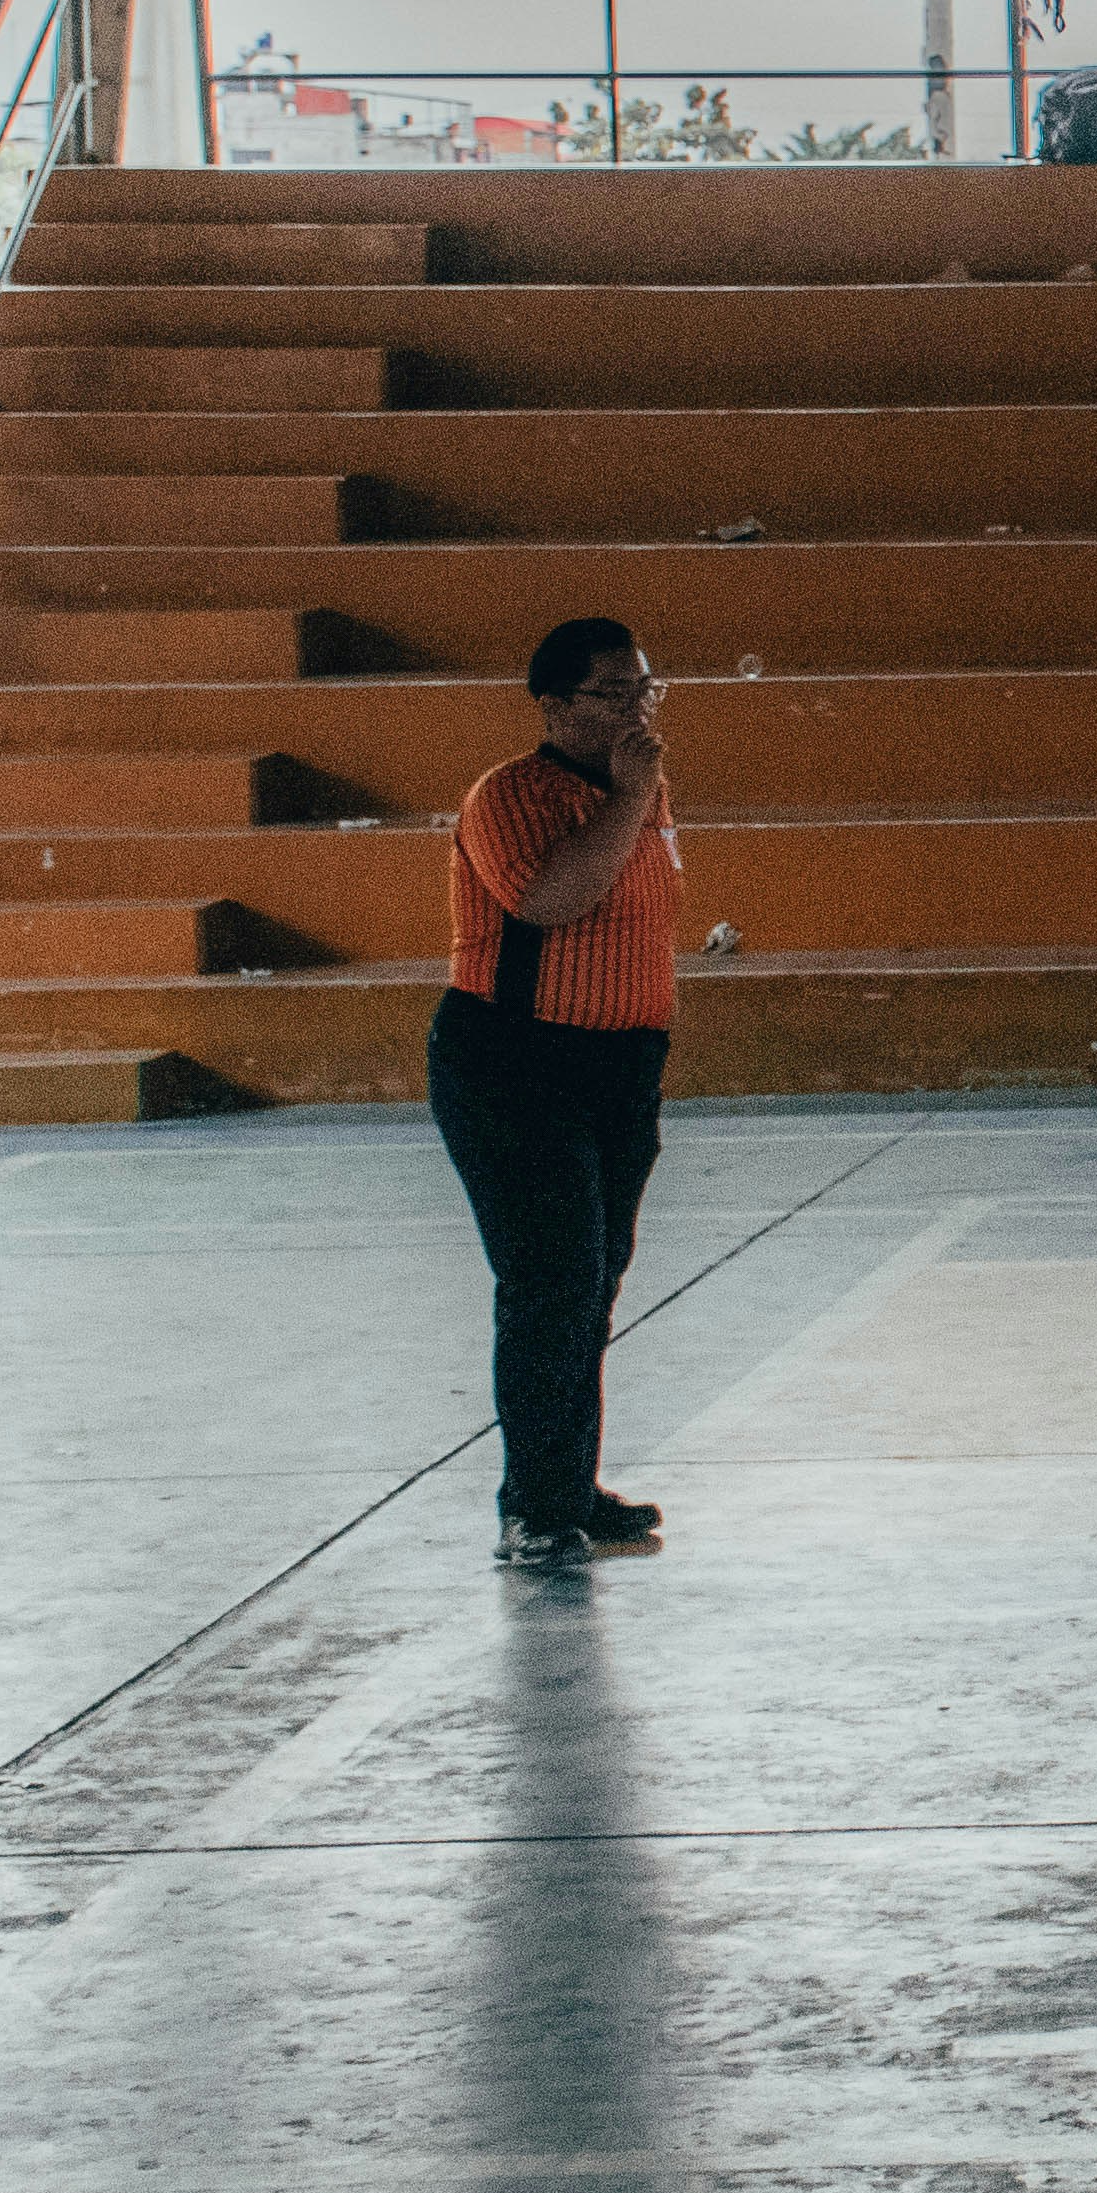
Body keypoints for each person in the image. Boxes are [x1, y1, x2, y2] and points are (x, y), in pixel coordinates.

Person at [435, 618, 682, 1577]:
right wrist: (630, 801)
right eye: (613, 694)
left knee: (594, 1283)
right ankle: (532, 1510)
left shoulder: (639, 797)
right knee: (550, 1286)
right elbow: (552, 901)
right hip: (513, 1065)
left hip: (616, 1072)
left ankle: (570, 1486)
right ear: (554, 705)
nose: (637, 710)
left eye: (645, 689)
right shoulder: (510, 795)